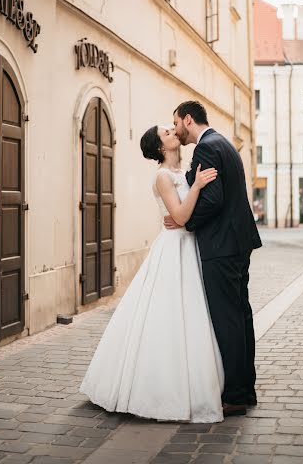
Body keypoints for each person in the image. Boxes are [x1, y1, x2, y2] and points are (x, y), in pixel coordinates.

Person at [80, 125, 224, 423]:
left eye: (172, 128)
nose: (174, 132)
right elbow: (181, 216)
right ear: (161, 147)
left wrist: (191, 189)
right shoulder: (162, 176)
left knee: (192, 315)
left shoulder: (183, 170)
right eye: (168, 132)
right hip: (173, 249)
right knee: (168, 316)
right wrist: (196, 186)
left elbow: (184, 217)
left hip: (189, 247)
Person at [167, 101, 262, 417]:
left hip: (221, 246)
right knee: (241, 314)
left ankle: (235, 395)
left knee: (229, 319)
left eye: (176, 122)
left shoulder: (205, 149)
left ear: (188, 119)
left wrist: (186, 222)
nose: (176, 129)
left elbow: (213, 200)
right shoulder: (223, 143)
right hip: (238, 242)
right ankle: (245, 389)